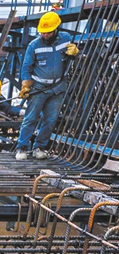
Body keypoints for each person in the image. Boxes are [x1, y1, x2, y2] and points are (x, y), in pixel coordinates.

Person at [16, 11, 80, 161]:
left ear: (56, 29)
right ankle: (22, 147)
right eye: (43, 33)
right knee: (30, 118)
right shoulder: (34, 45)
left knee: (50, 120)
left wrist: (76, 53)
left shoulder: (66, 39)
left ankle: (40, 147)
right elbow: (26, 67)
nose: (45, 35)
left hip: (58, 87)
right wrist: (26, 85)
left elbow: (75, 58)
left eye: (48, 32)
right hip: (39, 87)